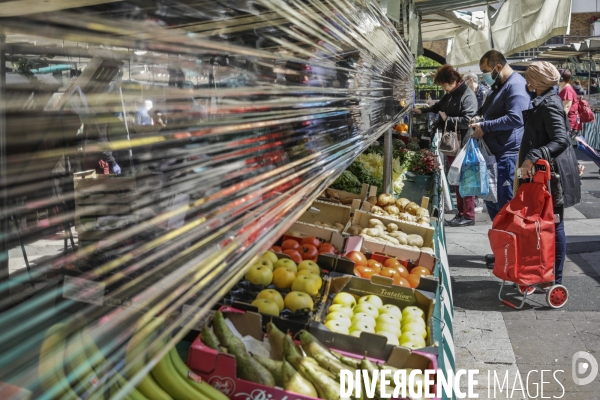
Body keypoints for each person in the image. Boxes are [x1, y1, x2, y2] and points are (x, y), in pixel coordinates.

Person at [519, 61, 581, 285]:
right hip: (544, 175)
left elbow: (560, 140)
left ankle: (555, 279)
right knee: (546, 225)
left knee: (554, 226)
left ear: (536, 80)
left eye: (529, 77)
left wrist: (533, 156)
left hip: (552, 178)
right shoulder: (545, 101)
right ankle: (544, 274)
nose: (526, 81)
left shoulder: (549, 104)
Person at [413, 65, 478, 227]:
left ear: (453, 81)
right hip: (452, 143)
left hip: (462, 143)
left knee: (464, 178)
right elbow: (438, 107)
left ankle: (468, 215)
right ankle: (460, 213)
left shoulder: (467, 95)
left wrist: (447, 118)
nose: (443, 88)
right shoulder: (450, 94)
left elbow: (469, 120)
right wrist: (423, 111)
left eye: (444, 85)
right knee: (456, 178)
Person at [470, 50, 531, 220]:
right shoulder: (499, 85)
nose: (484, 76)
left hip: (507, 155)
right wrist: (478, 116)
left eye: (485, 71)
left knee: (505, 208)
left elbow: (515, 118)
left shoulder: (516, 85)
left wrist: (484, 126)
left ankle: (509, 244)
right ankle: (501, 243)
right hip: (494, 154)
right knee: (494, 205)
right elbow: (488, 109)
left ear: (498, 67)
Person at [558, 69, 585, 177]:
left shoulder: (567, 90)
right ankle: (576, 167)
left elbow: (566, 107)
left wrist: (558, 122)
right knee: (565, 147)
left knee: (565, 148)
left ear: (561, 78)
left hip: (569, 124)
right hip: (569, 123)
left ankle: (577, 167)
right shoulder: (565, 88)